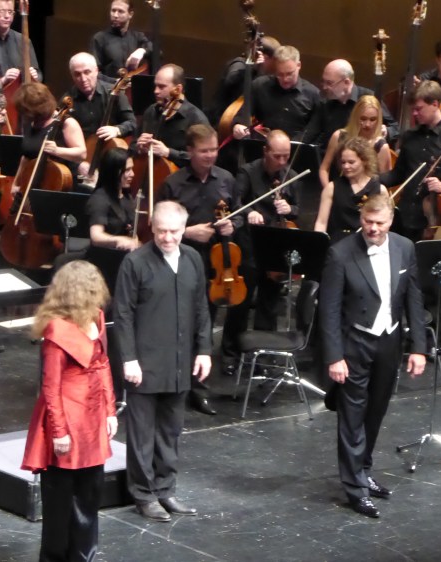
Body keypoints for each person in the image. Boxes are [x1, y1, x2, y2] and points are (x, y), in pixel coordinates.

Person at [319, 193, 426, 518]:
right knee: (352, 417)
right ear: (361, 218)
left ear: (390, 221)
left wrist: (418, 347)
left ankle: (363, 471)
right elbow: (329, 310)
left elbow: (413, 298)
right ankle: (355, 488)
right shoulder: (340, 253)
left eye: (379, 223)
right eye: (368, 221)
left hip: (388, 342)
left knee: (375, 412)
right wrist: (334, 356)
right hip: (355, 344)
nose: (373, 228)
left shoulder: (405, 247)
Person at [113, 200, 212, 522]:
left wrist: (204, 350)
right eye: (161, 231)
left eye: (174, 231)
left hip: (180, 360)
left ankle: (165, 489)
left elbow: (201, 307)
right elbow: (123, 314)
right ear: (152, 229)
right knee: (142, 434)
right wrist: (129, 359)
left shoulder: (193, 259)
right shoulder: (135, 263)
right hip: (145, 362)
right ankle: (144, 495)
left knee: (170, 430)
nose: (167, 238)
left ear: (184, 229)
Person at [22, 260, 117, 561]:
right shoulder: (57, 330)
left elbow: (103, 365)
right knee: (60, 502)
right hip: (67, 418)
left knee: (89, 496)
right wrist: (59, 432)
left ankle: (83, 556)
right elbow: (51, 387)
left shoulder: (96, 317)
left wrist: (110, 411)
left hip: (92, 417)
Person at [161, 123, 241, 396]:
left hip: (216, 264)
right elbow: (158, 224)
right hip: (180, 261)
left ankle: (199, 387)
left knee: (205, 321)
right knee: (177, 321)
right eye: (204, 151)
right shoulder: (173, 183)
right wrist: (187, 232)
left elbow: (239, 213)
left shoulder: (226, 179)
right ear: (190, 151)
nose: (210, 156)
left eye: (213, 150)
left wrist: (233, 225)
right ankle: (172, 382)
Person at [379, 80, 441, 241]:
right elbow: (398, 174)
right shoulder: (409, 136)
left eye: (419, 109)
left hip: (439, 217)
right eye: (413, 109)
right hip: (407, 217)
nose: (414, 114)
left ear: (435, 104)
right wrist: (372, 180)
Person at [235, 129, 300, 334]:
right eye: (277, 156)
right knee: (242, 302)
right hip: (250, 244)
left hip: (276, 247)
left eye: (286, 156)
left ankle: (264, 347)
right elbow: (236, 203)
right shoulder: (248, 172)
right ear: (265, 151)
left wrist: (290, 209)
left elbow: (298, 210)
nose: (282, 162)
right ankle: (232, 349)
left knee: (270, 303)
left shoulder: (292, 176)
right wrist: (251, 212)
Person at [64, 52, 136, 184]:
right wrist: (78, 165)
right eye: (77, 74)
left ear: (96, 71)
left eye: (87, 72)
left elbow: (132, 123)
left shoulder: (114, 92)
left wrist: (117, 130)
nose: (83, 79)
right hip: (83, 168)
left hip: (112, 163)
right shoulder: (67, 102)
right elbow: (61, 141)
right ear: (72, 76)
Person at [232, 45, 321, 141]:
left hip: (295, 147)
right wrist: (238, 126)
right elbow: (243, 114)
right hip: (263, 145)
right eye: (280, 74)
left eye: (289, 73)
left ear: (298, 65)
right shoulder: (260, 86)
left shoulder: (313, 94)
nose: (285, 79)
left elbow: (314, 131)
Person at [10, 82, 87, 193]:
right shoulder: (29, 123)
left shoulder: (66, 123)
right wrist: (16, 183)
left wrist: (57, 150)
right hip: (32, 184)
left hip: (59, 185)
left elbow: (82, 154)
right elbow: (26, 157)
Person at [305, 59, 398, 149]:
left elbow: (395, 128)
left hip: (361, 156)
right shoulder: (325, 102)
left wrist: (386, 131)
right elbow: (309, 135)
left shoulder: (369, 98)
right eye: (323, 82)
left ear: (346, 82)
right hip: (330, 155)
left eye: (329, 83)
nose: (324, 87)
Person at [134, 63, 209, 168]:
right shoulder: (151, 111)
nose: (156, 91)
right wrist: (139, 146)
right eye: (155, 86)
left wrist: (168, 152)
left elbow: (204, 158)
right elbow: (133, 144)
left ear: (178, 89)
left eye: (161, 87)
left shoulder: (196, 119)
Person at [315, 137, 388, 241]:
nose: (346, 166)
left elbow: (384, 225)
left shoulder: (380, 190)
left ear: (364, 161)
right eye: (343, 162)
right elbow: (321, 223)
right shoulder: (331, 188)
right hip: (338, 243)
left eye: (351, 162)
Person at [319, 94, 393, 188]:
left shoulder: (381, 147)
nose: (367, 124)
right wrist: (329, 190)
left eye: (372, 119)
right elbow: (324, 169)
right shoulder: (338, 136)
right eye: (363, 118)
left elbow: (385, 183)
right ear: (355, 116)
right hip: (338, 191)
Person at [207, 35, 280, 126]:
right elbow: (231, 80)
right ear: (264, 57)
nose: (276, 65)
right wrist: (253, 68)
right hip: (221, 121)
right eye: (274, 61)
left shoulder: (263, 74)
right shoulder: (239, 63)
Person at [0, 0, 42, 85]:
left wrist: (35, 76)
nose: (7, 16)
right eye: (1, 11)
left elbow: (39, 74)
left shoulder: (23, 40)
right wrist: (3, 80)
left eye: (10, 12)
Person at [91, 0, 152, 81]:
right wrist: (115, 82)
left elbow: (157, 52)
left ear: (130, 14)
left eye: (120, 11)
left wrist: (142, 51)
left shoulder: (137, 36)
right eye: (113, 11)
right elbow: (94, 71)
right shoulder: (99, 38)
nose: (115, 15)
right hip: (109, 87)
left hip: (133, 87)